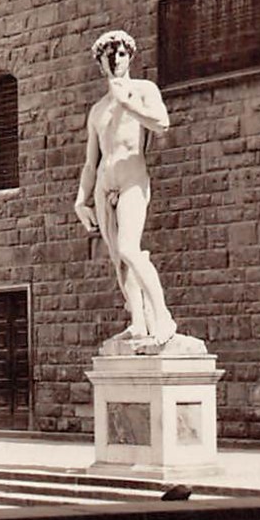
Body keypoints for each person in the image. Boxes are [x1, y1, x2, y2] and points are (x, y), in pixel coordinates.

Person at [73, 30, 176, 344]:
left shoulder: (143, 90)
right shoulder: (97, 110)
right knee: (119, 259)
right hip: (106, 184)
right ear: (101, 64)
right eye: (108, 55)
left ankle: (163, 317)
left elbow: (162, 124)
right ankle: (139, 322)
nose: (115, 59)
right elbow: (91, 162)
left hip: (132, 178)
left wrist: (127, 103)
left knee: (131, 248)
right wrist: (81, 200)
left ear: (129, 56)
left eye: (120, 53)